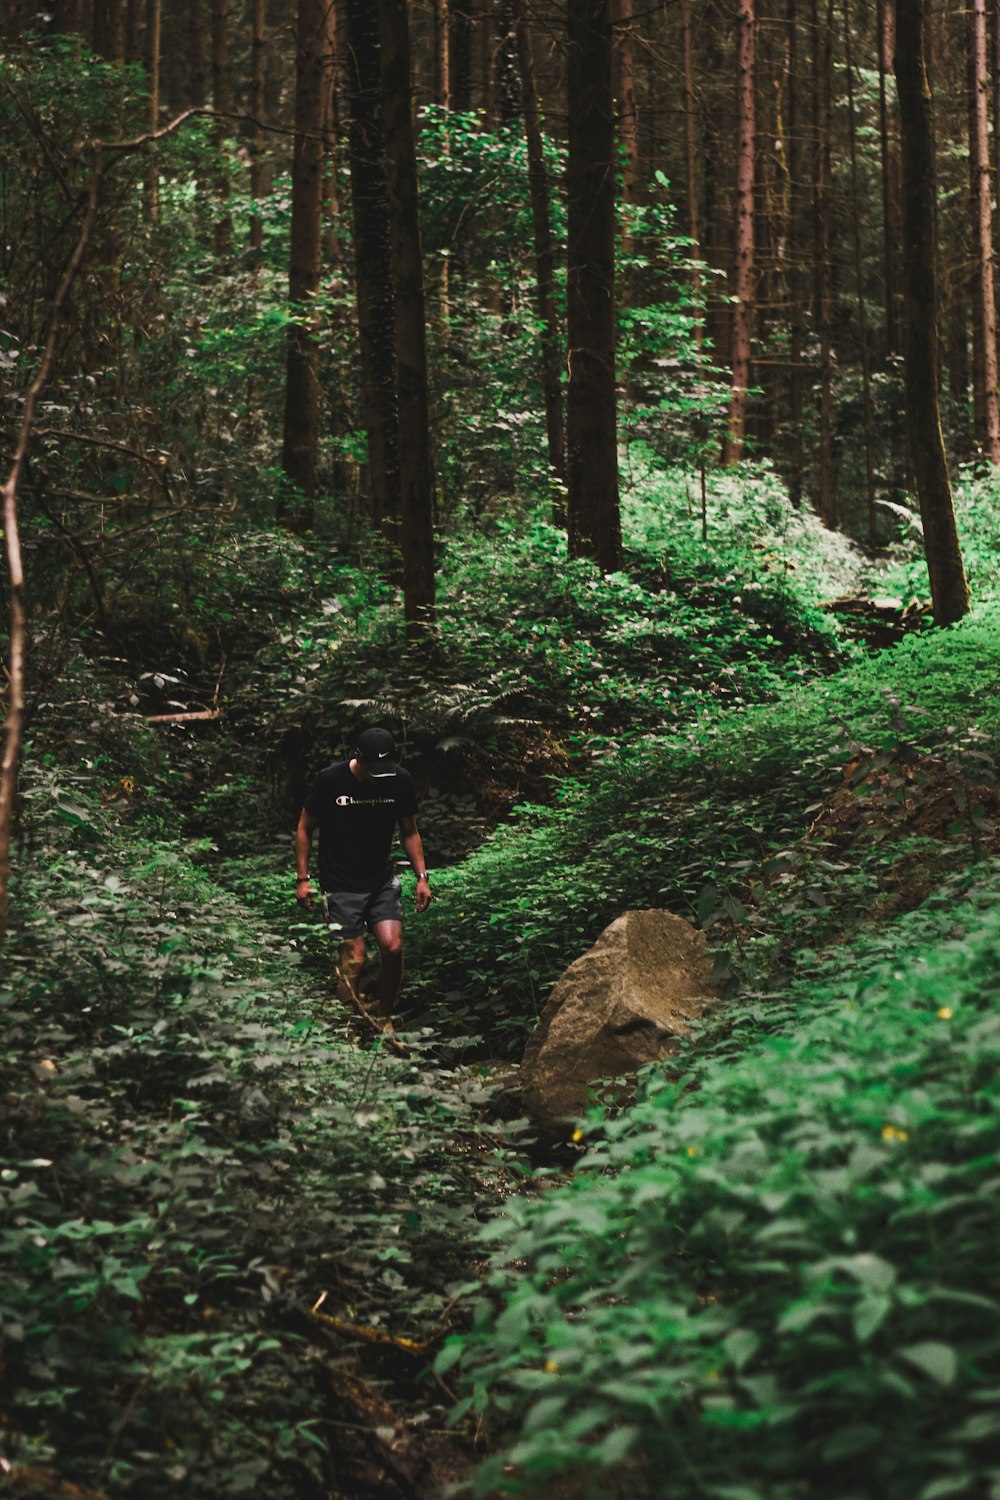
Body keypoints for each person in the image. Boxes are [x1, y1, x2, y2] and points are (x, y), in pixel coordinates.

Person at [295, 727, 432, 1032]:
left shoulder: (399, 780)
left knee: (393, 948)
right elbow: (305, 828)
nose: (378, 775)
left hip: (381, 880)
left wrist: (422, 877)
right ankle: (349, 1027)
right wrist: (302, 879)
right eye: (373, 769)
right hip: (340, 883)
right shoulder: (331, 780)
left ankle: (383, 1018)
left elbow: (409, 831)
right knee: (354, 957)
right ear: (358, 758)